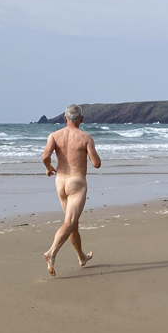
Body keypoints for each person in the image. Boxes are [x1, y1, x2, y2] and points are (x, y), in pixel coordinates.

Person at [40, 104, 102, 276]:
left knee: (72, 223)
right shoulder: (85, 137)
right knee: (70, 222)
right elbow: (96, 164)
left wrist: (48, 167)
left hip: (60, 182)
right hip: (76, 183)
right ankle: (51, 253)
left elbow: (45, 156)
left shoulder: (54, 135)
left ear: (65, 118)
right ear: (81, 119)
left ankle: (81, 256)